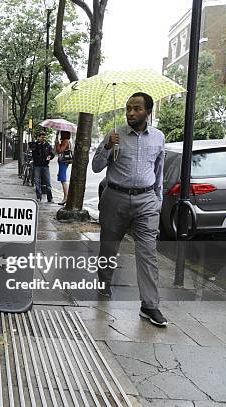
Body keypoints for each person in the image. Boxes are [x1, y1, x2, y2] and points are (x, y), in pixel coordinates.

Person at [91, 92, 167, 327]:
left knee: (148, 253)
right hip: (115, 197)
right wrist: (106, 146)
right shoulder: (115, 135)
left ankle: (150, 305)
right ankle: (103, 284)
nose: (131, 113)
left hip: (146, 201)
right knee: (108, 248)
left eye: (136, 108)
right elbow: (95, 167)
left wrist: (158, 201)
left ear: (148, 112)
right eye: (128, 108)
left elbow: (159, 172)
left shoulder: (158, 137)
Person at [32, 132, 55, 203]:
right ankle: (39, 197)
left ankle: (50, 198)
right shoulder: (36, 145)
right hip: (37, 166)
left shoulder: (48, 145)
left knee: (48, 183)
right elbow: (33, 154)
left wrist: (50, 157)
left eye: (44, 137)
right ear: (39, 137)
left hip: (45, 166)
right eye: (42, 137)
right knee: (37, 182)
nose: (43, 138)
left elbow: (52, 154)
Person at [54, 130, 73, 205]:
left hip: (63, 162)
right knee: (62, 178)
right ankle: (66, 197)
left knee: (63, 179)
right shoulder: (66, 141)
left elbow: (60, 151)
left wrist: (57, 143)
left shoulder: (65, 141)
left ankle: (66, 197)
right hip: (63, 162)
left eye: (61, 133)